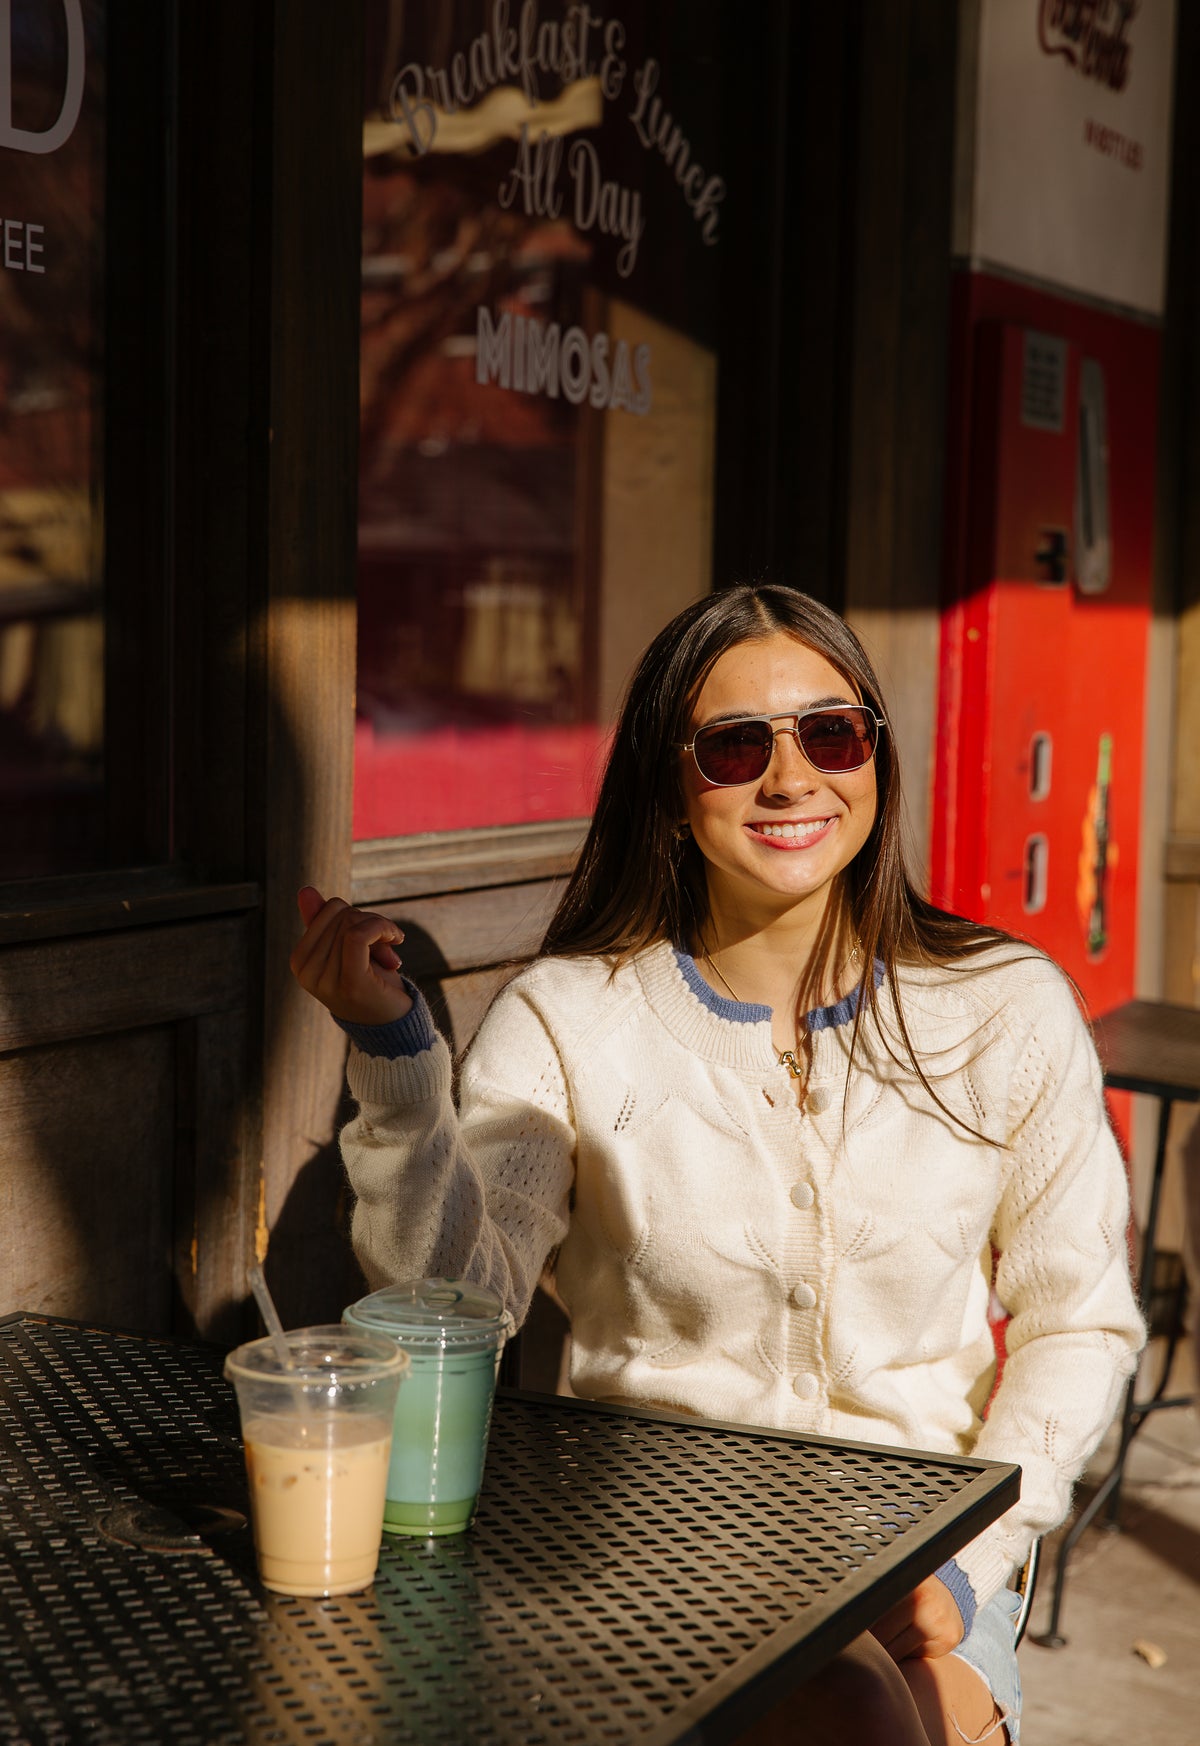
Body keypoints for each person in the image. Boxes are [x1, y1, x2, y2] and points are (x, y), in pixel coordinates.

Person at [291, 584, 1144, 1745]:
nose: (791, 779)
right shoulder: (571, 1017)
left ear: (877, 761)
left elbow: (1078, 1325)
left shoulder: (1003, 1009)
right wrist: (394, 1055)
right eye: (736, 747)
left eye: (830, 735)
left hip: (926, 1549)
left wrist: (968, 1564)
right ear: (669, 787)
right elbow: (455, 1303)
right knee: (850, 1714)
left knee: (886, 1711)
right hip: (642, 1545)